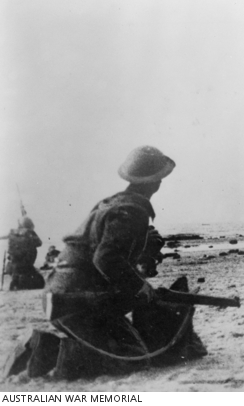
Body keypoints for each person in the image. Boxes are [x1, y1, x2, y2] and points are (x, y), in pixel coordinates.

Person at [2, 146, 207, 381]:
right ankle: (48, 350)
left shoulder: (112, 203)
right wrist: (140, 287)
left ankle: (47, 347)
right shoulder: (133, 210)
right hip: (80, 302)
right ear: (156, 182)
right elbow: (106, 258)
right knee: (132, 357)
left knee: (128, 346)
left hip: (63, 294)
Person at [0, 216, 44, 290]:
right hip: (26, 261)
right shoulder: (29, 232)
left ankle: (15, 283)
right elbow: (39, 243)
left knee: (17, 273)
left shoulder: (12, 232)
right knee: (37, 281)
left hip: (13, 263)